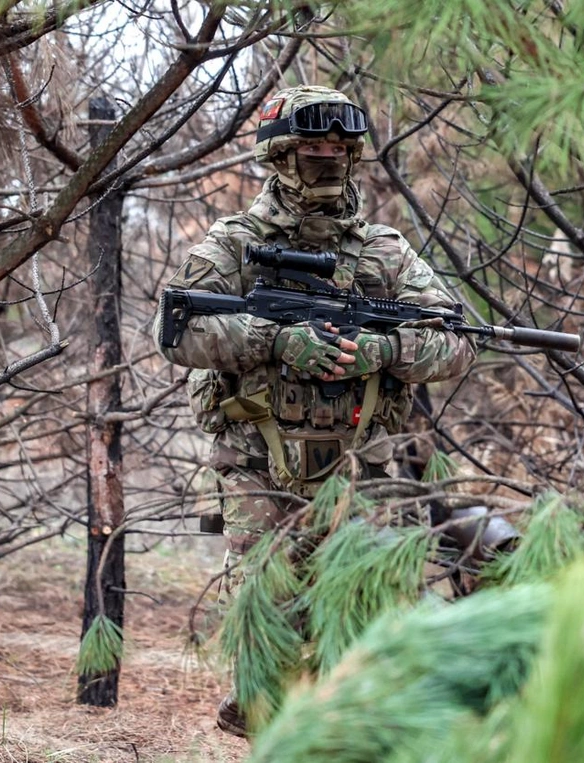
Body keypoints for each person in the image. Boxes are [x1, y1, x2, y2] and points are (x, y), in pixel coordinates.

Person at [154, 85, 477, 736]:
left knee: (367, 612)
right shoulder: (237, 243)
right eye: (312, 148)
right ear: (278, 156)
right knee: (270, 616)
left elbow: (456, 341)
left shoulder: (384, 252)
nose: (327, 158)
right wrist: (275, 339)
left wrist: (383, 349)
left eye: (339, 148)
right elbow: (177, 331)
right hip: (257, 461)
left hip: (361, 464)